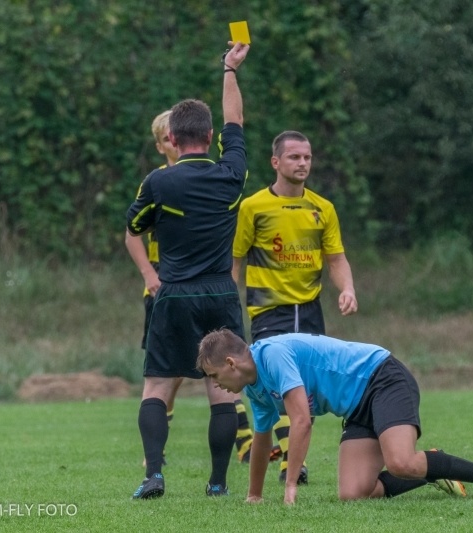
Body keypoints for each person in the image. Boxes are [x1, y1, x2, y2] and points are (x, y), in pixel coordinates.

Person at [196, 329, 473, 504]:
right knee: (353, 494)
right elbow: (262, 438)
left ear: (230, 363)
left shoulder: (272, 355)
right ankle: (431, 466)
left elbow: (301, 421)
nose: (217, 385)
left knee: (399, 463)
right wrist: (254, 494)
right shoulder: (253, 388)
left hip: (382, 378)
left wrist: (291, 484)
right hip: (356, 408)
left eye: (214, 376)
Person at [125, 40, 250, 500]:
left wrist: (152, 276)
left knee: (157, 385)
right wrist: (229, 70)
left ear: (172, 140)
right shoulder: (232, 173)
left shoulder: (159, 181)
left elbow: (133, 227)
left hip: (173, 293)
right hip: (219, 292)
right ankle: (217, 483)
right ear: (211, 134)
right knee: (222, 392)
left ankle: (153, 474)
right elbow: (236, 122)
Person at [231, 130, 358, 484]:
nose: (302, 163)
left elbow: (336, 259)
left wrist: (347, 288)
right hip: (269, 309)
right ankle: (291, 464)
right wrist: (227, 300)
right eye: (294, 157)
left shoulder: (323, 208)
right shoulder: (253, 207)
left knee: (309, 391)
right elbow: (235, 260)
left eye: (307, 157)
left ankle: (293, 460)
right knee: (280, 386)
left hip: (310, 308)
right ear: (276, 162)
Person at [124, 110, 183, 467]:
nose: (175, 141)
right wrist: (150, 276)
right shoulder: (156, 181)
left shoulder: (208, 173)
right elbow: (133, 233)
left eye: (179, 133)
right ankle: (154, 454)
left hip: (201, 281)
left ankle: (239, 446)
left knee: (216, 366)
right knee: (166, 374)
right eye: (168, 136)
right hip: (164, 283)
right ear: (161, 145)